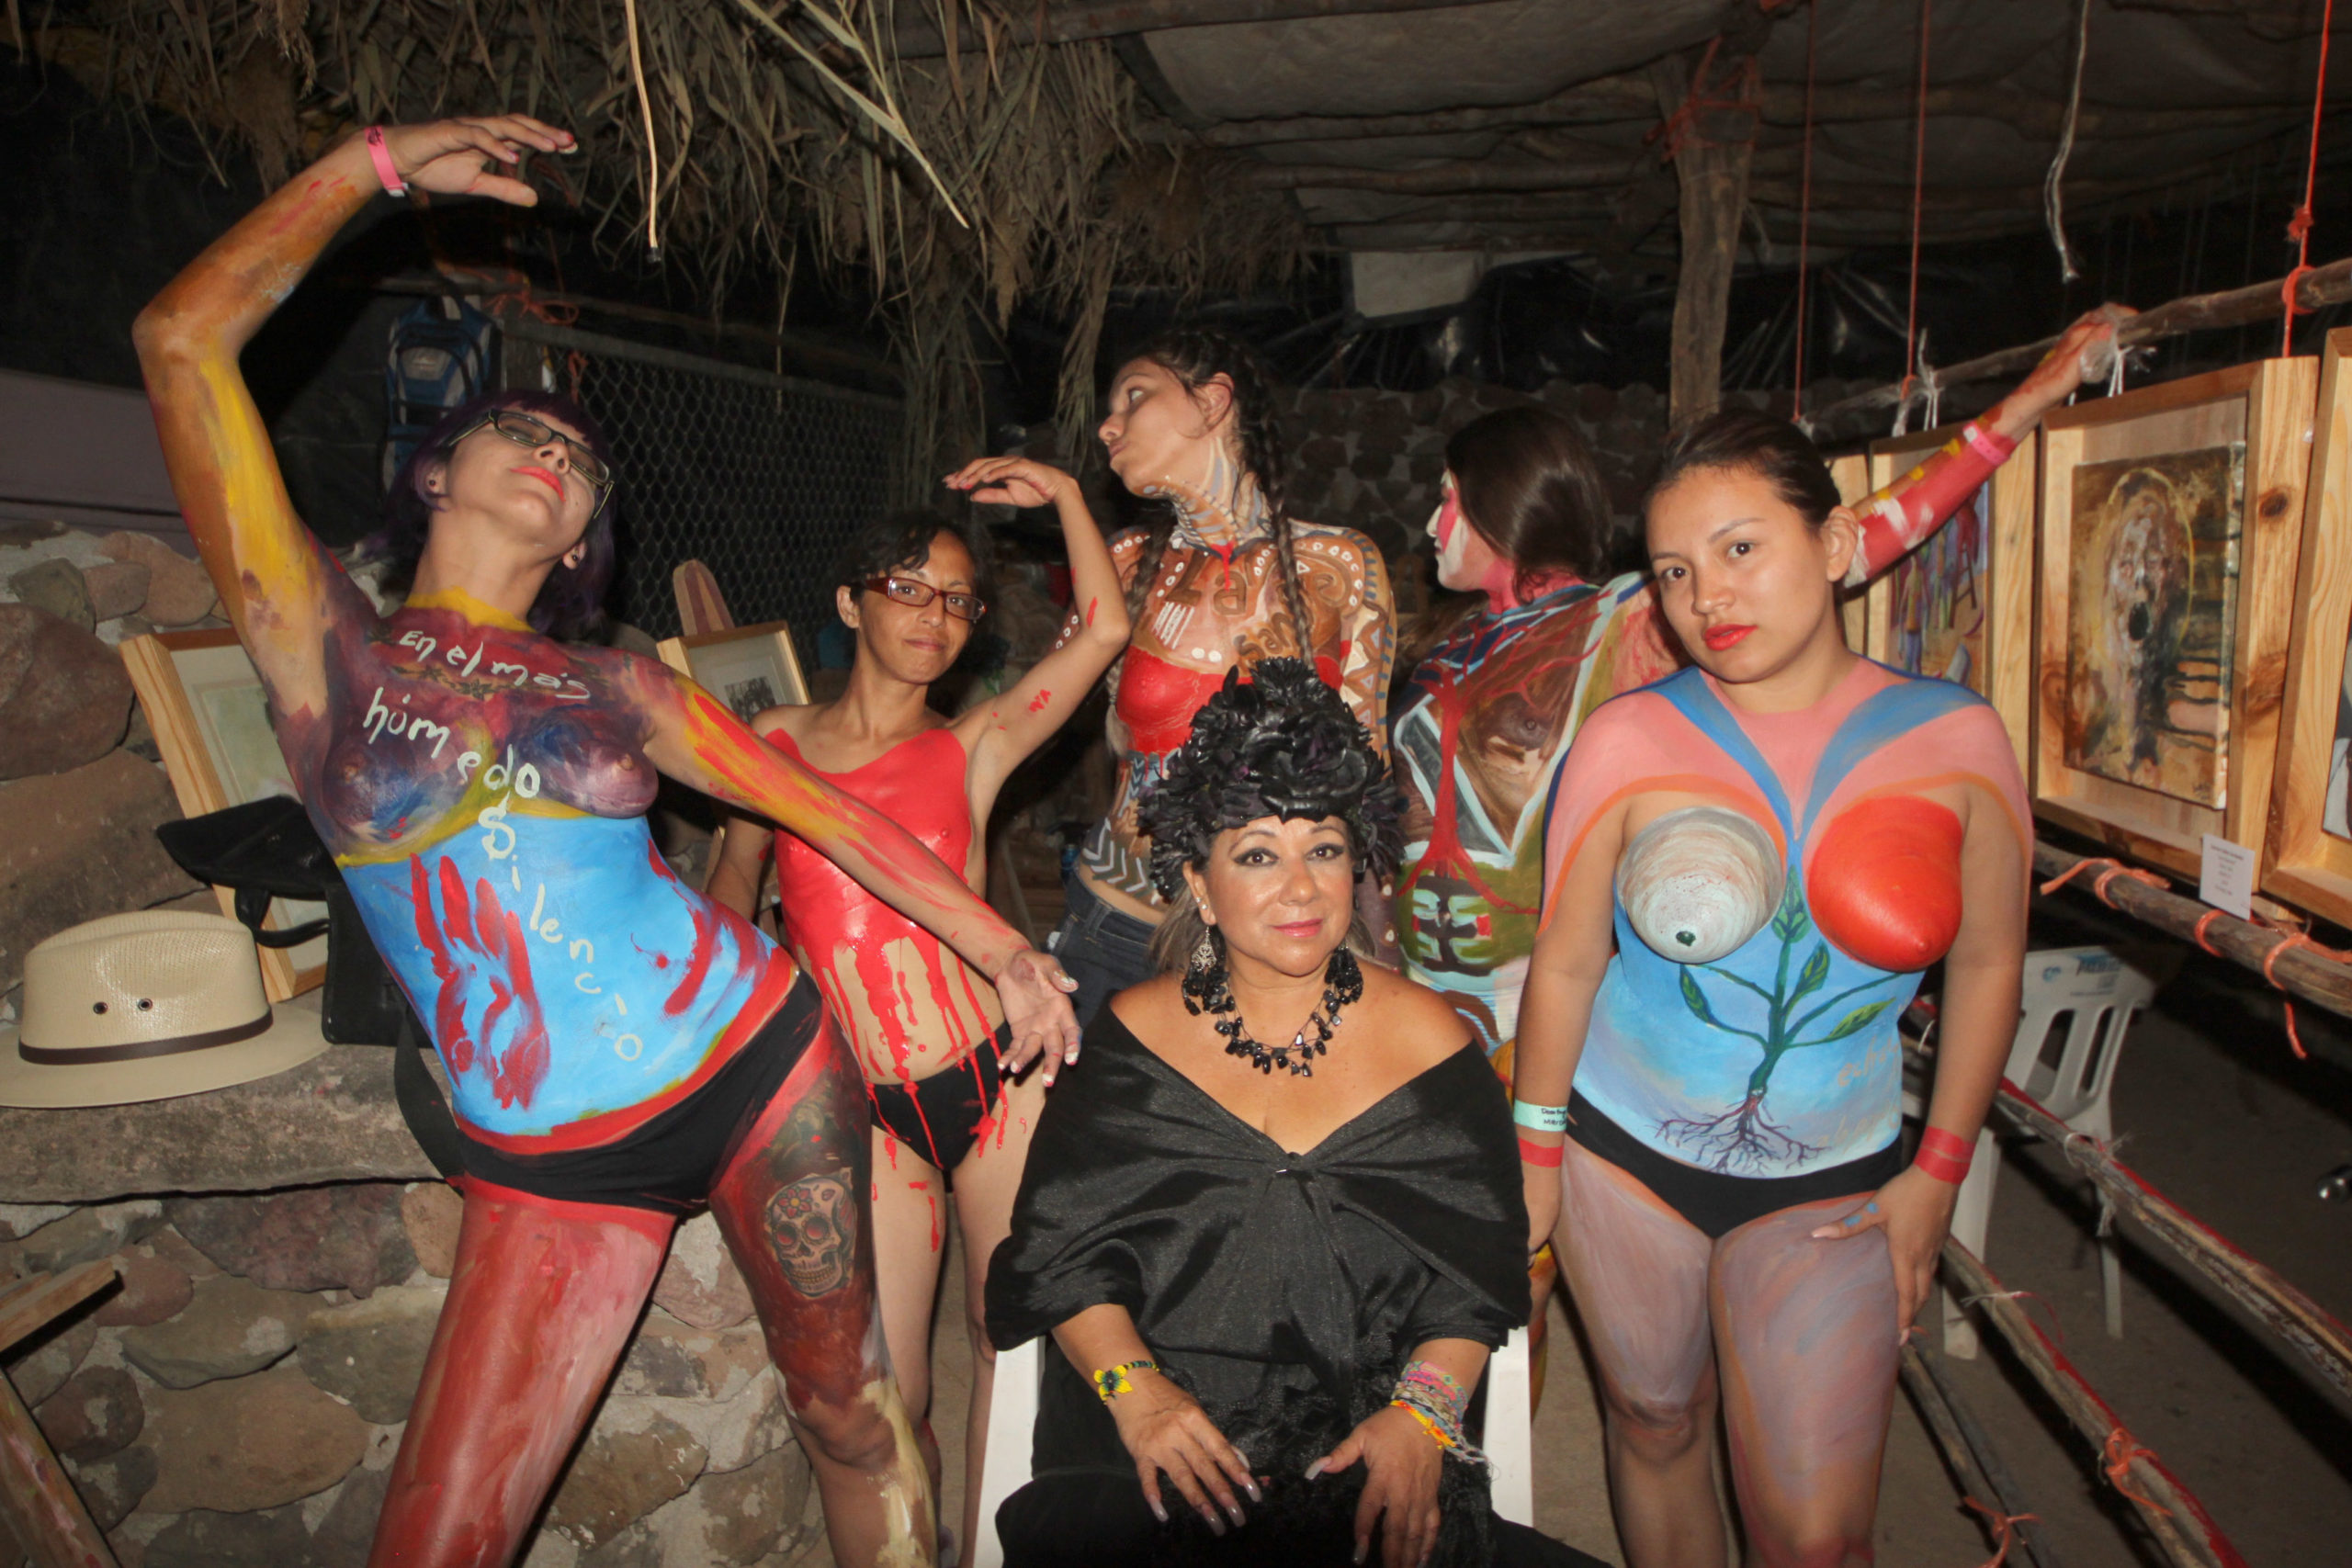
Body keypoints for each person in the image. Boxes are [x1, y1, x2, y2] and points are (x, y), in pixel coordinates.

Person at [133, 114, 1080, 1568]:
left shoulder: (617, 684)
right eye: (519, 431)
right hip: (549, 1154)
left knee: (850, 1413)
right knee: (439, 1534)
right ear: (436, 474)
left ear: (583, 540)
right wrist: (371, 171)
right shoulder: (326, 648)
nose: (552, 455)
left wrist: (1005, 950)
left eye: (578, 459)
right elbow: (182, 342)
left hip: (761, 1059)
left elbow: (824, 810)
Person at [1510, 410, 2033, 1568]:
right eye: (1673, 571)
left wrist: (1938, 1172)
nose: (1707, 597)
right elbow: (1568, 958)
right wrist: (1535, 1153)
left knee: (1814, 1537)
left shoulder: (1954, 739)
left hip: (1834, 1181)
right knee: (1653, 1421)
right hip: (1620, 1157)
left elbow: (1990, 960)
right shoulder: (1626, 739)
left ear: (1836, 544)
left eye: (1740, 548)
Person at [988, 660, 1600, 1568]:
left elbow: (1475, 1277)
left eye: (1324, 848)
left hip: (1364, 1458)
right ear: (1199, 884)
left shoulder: (1430, 1045)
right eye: (1257, 855)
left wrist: (1423, 1416)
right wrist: (1138, 1394)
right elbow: (1060, 1260)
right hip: (1152, 1458)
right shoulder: (1129, 1041)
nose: (1302, 889)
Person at [706, 463, 1129, 1557]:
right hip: (866, 1108)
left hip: (995, 1084)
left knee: (1001, 1336)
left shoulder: (971, 747)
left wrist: (1065, 495)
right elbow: (733, 888)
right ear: (850, 603)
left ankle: (991, 1542)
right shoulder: (772, 744)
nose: (934, 616)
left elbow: (1103, 629)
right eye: (907, 589)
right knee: (889, 1395)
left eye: (957, 600)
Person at [1049, 329, 1397, 1023]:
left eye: (1134, 396)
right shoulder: (1124, 561)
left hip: (1275, 937)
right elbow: (1031, 713)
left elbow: (1369, 775)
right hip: (1120, 928)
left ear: (1212, 402)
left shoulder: (1339, 564)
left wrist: (1381, 950)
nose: (1108, 426)